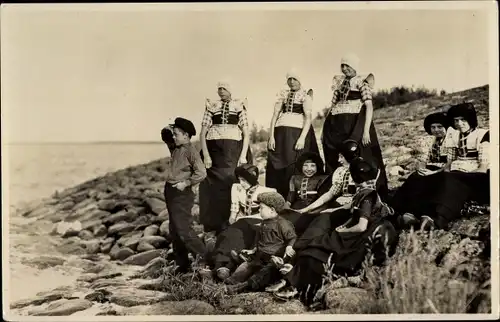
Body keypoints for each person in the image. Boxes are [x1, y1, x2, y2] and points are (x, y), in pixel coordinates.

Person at [270, 157, 398, 305]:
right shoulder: (363, 192)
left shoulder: (367, 196)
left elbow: (362, 226)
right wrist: (338, 219)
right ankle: (290, 281)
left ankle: (297, 287)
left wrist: (343, 232)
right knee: (314, 248)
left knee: (316, 251)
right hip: (357, 233)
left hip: (361, 238)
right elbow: (352, 211)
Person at [392, 102, 490, 230]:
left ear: (471, 120)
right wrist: (433, 174)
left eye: (463, 120)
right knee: (422, 178)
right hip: (456, 172)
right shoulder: (455, 136)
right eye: (456, 121)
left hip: (478, 177)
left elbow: (483, 167)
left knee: (447, 180)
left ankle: (438, 218)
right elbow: (449, 164)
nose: (459, 124)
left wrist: (453, 175)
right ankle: (411, 212)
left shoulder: (483, 135)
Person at [321, 54, 388, 201]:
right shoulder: (339, 83)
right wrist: (326, 128)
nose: (345, 69)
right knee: (338, 156)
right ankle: (337, 192)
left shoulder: (361, 82)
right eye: (343, 66)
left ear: (354, 67)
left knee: (360, 153)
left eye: (348, 66)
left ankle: (368, 194)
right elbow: (332, 105)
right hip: (337, 124)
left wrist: (365, 131)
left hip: (355, 123)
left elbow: (369, 106)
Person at [203, 164, 277, 281]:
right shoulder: (236, 187)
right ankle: (218, 267)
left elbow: (270, 214)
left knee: (241, 238)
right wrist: (232, 222)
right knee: (227, 235)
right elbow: (234, 209)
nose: (242, 183)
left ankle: (228, 266)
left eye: (245, 180)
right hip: (241, 221)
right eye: (240, 179)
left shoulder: (267, 191)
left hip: (257, 221)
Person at [199, 81, 253, 235]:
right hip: (213, 152)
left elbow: (246, 133)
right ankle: (212, 225)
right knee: (211, 187)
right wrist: (206, 155)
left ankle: (231, 222)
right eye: (219, 89)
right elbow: (203, 132)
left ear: (230, 90)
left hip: (233, 151)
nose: (221, 91)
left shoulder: (239, 106)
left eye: (224, 89)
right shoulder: (212, 106)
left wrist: (243, 155)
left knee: (232, 183)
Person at [161, 118, 209, 274]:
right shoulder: (176, 148)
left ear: (186, 135)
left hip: (182, 192)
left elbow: (201, 173)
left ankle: (204, 259)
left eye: (177, 134)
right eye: (174, 134)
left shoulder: (191, 151)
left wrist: (187, 183)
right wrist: (172, 127)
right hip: (171, 190)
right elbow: (165, 134)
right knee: (174, 229)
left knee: (183, 228)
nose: (174, 137)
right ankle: (182, 264)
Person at [223, 192, 297, 294]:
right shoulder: (264, 222)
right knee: (247, 265)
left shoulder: (283, 224)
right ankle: (232, 280)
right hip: (260, 255)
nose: (259, 210)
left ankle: (242, 287)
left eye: (261, 208)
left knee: (264, 273)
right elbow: (259, 239)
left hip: (273, 258)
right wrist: (253, 250)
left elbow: (292, 237)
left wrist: (289, 247)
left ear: (272, 210)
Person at [390, 111, 455, 226]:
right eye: (433, 127)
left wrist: (432, 172)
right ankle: (401, 211)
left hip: (444, 171)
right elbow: (424, 159)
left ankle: (422, 213)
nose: (436, 130)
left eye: (440, 127)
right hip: (431, 168)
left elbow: (449, 163)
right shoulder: (432, 141)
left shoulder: (451, 140)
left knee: (429, 183)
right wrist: (422, 168)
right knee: (415, 177)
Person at [266, 70, 320, 198]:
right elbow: (274, 116)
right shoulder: (283, 95)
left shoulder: (304, 96)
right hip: (280, 134)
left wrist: (302, 138)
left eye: (294, 79)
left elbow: (308, 118)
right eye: (289, 79)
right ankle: (278, 197)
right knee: (277, 165)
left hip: (296, 133)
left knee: (293, 163)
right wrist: (271, 136)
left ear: (300, 81)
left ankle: (294, 197)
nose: (291, 82)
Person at [278, 151, 332, 237]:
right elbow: (290, 198)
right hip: (296, 208)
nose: (309, 169)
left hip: (314, 209)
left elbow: (324, 201)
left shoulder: (323, 179)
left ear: (318, 166)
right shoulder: (294, 178)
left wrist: (311, 212)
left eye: (313, 165)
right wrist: (287, 209)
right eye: (305, 165)